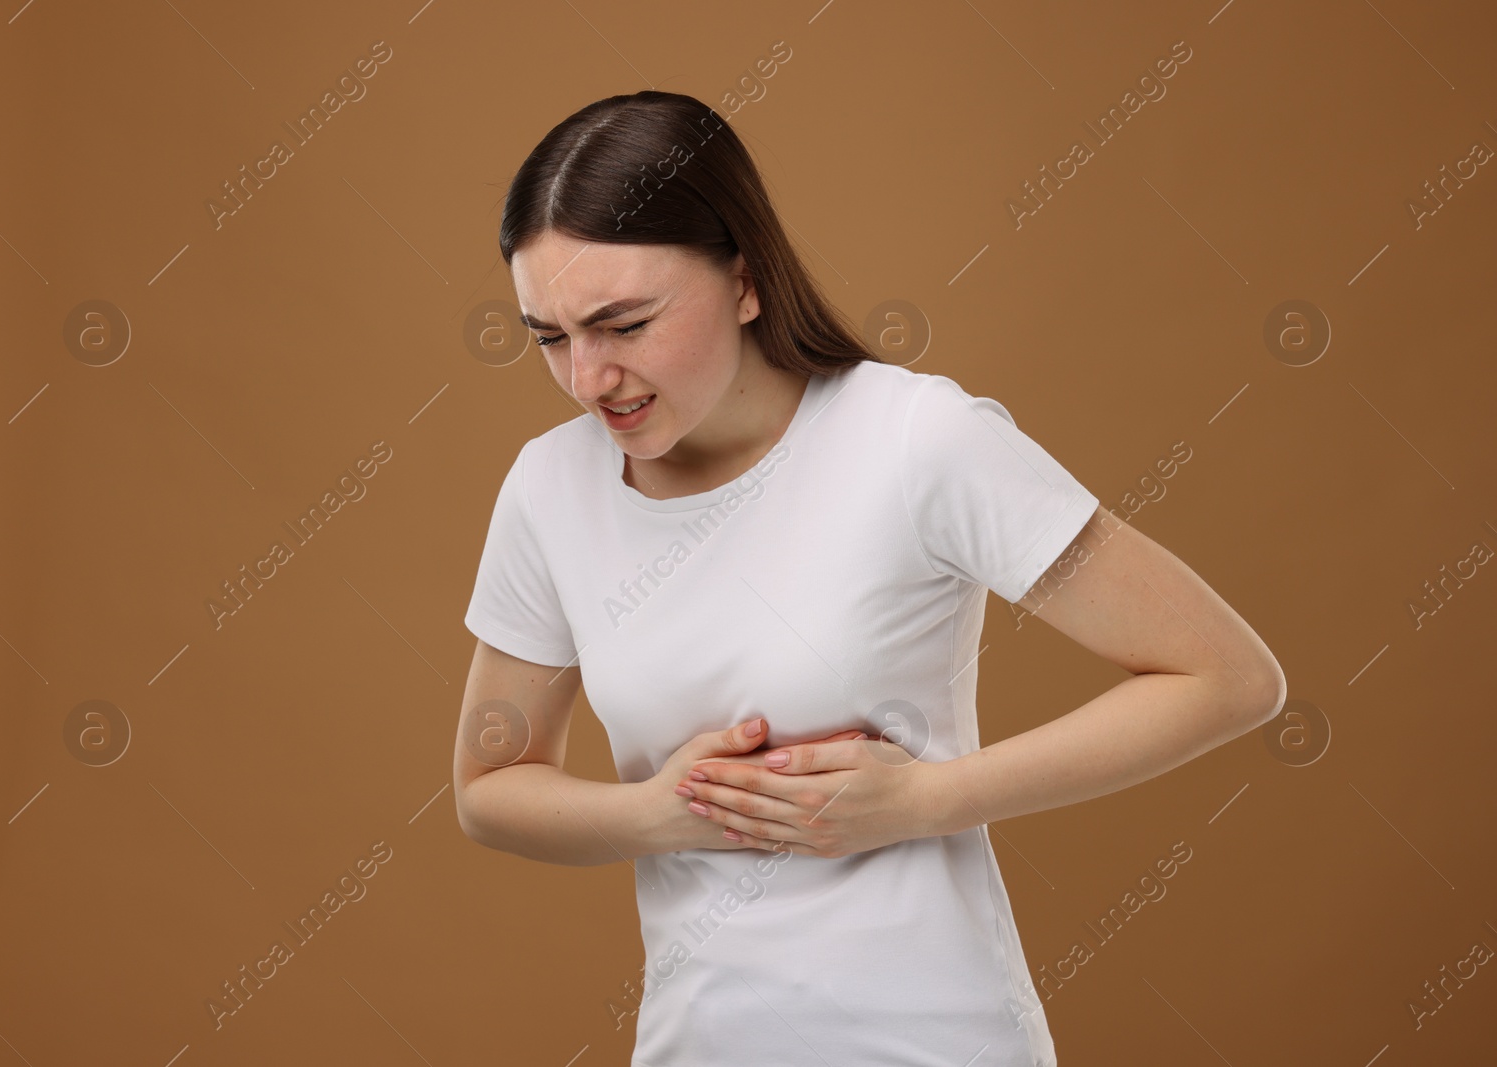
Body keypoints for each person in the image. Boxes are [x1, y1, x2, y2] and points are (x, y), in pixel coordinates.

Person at [454, 90, 1285, 1067]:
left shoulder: (914, 440)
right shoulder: (549, 488)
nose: (589, 377)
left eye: (624, 323)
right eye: (550, 336)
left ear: (746, 280)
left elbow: (1228, 675)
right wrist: (660, 811)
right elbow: (489, 784)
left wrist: (926, 799)